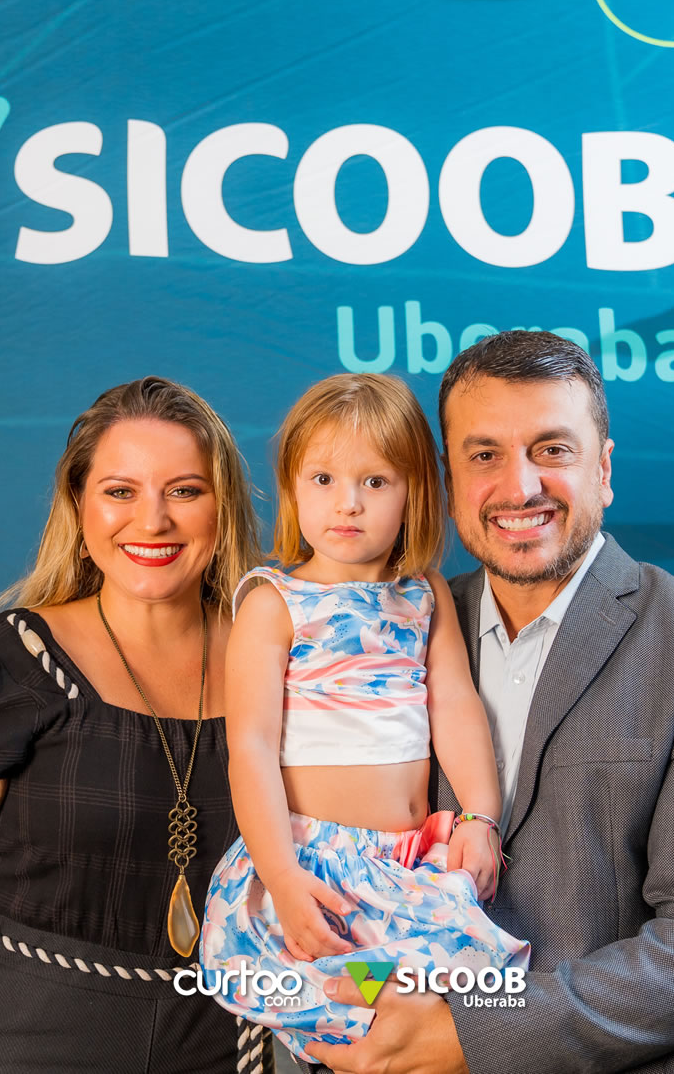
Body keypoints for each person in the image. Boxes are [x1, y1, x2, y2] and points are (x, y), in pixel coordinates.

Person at [307, 331, 674, 1074]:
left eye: (553, 450)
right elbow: (337, 865)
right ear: (448, 480)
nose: (520, 486)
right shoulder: (388, 634)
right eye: (484, 455)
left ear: (603, 469)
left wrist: (469, 1036)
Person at [0, 377, 264, 1073]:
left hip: (227, 1050)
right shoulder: (1, 668)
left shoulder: (288, 667)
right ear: (78, 507)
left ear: (222, 507)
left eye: (184, 490)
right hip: (23, 1049)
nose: (153, 520)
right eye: (120, 491)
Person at [198, 373, 529, 1064]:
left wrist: (480, 815)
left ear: (414, 494)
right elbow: (250, 747)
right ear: (293, 488)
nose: (347, 502)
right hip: (310, 863)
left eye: (376, 482)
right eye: (323, 479)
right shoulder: (273, 601)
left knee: (446, 1009)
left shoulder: (422, 593)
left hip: (403, 868)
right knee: (341, 1012)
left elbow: (454, 705)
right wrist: (282, 876)